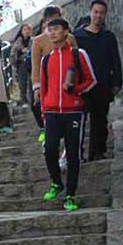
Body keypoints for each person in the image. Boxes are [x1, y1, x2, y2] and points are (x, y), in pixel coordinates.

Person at [40, 18, 97, 211]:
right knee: (49, 149)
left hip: (73, 111)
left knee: (73, 154)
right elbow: (44, 87)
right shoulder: (46, 59)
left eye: (56, 29)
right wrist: (44, 112)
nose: (52, 32)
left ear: (66, 32)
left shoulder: (78, 54)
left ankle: (71, 195)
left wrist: (77, 90)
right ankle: (57, 183)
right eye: (50, 29)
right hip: (51, 113)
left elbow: (91, 80)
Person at [73, 0, 123, 161]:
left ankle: (98, 152)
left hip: (102, 83)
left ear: (105, 15)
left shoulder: (108, 37)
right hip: (83, 85)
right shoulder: (78, 37)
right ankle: (76, 154)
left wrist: (117, 82)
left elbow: (115, 60)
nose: (98, 16)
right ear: (90, 12)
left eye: (101, 13)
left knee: (100, 119)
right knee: (79, 120)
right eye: (96, 12)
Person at [31, 6, 78, 142]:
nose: (53, 22)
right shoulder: (38, 41)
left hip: (67, 81)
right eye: (50, 19)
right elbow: (36, 66)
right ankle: (47, 135)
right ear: (46, 20)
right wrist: (37, 86)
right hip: (49, 83)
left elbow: (77, 61)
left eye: (56, 18)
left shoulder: (70, 38)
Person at [11, 23, 33, 106]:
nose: (27, 31)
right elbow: (12, 54)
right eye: (25, 30)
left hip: (31, 64)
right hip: (21, 64)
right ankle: (24, 99)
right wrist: (20, 52)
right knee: (22, 83)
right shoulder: (18, 41)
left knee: (31, 82)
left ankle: (31, 100)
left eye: (28, 29)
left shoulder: (33, 40)